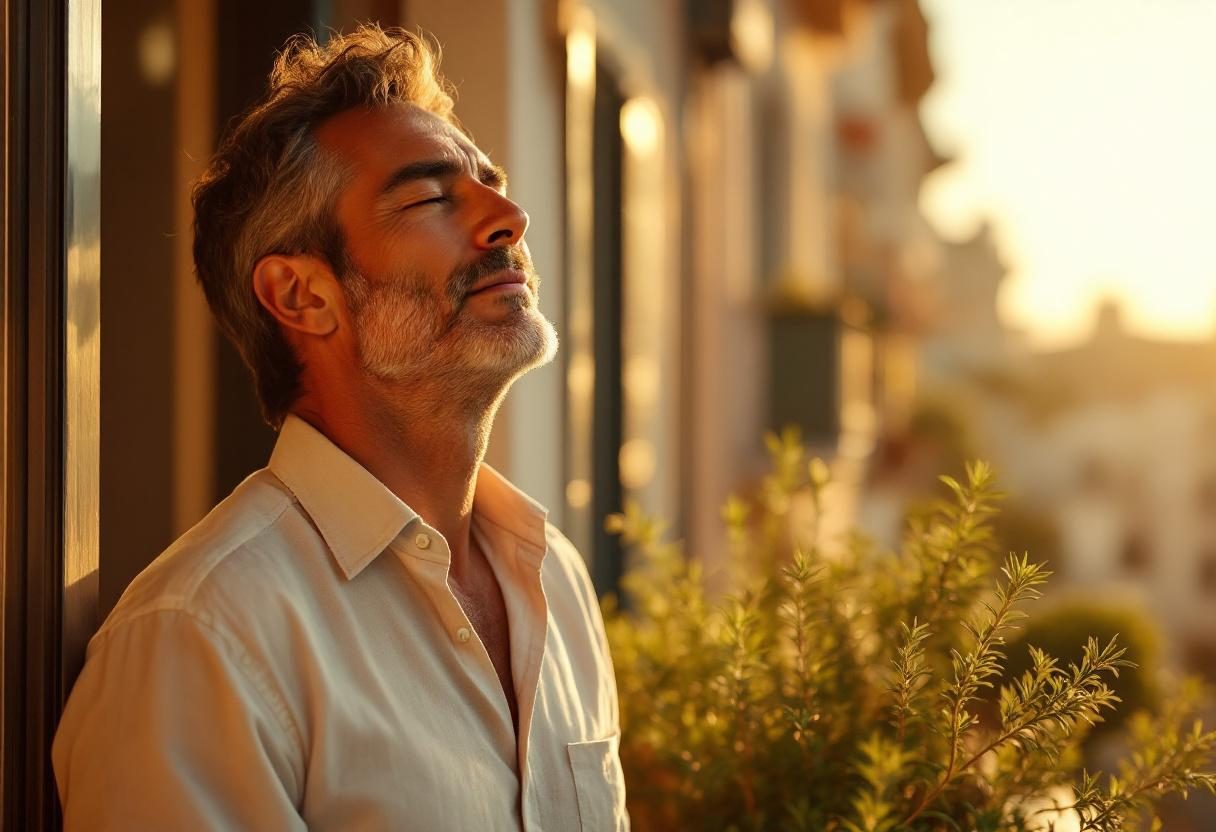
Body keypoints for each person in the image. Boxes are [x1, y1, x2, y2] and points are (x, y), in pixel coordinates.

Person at [53, 24, 627, 831]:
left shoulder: (553, 579)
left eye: (491, 182)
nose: (510, 218)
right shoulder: (200, 638)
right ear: (301, 297)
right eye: (430, 197)